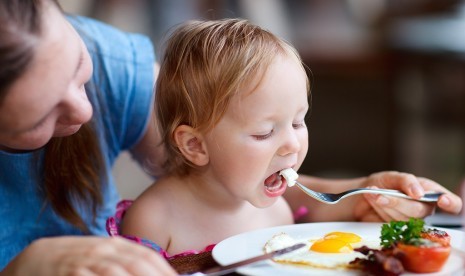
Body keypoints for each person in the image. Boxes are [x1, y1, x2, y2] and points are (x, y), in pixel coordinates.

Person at [110, 18, 463, 258]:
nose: (292, 145)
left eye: (298, 123)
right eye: (265, 132)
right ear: (195, 145)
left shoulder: (277, 206)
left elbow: (332, 209)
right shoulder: (154, 220)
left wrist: (377, 195)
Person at [0, 0, 176, 275]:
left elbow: (221, 180)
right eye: (39, 119)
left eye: (78, 63)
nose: (85, 111)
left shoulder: (110, 59)